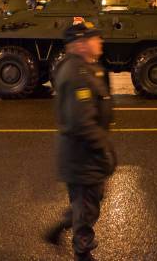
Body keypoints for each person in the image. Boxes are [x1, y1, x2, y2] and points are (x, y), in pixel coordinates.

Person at [45, 21, 117, 261]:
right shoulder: (77, 74)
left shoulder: (85, 68)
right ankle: (82, 251)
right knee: (88, 205)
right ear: (80, 45)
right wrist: (104, 148)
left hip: (83, 154)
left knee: (88, 200)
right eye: (95, 38)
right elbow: (81, 123)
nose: (101, 42)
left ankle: (62, 226)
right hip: (82, 155)